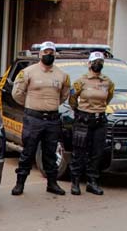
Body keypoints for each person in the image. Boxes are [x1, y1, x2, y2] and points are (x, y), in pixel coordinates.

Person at [10, 42, 71, 196]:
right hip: (33, 118)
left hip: (52, 119)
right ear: (40, 54)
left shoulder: (62, 75)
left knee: (50, 153)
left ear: (55, 54)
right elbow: (17, 94)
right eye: (46, 52)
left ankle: (52, 183)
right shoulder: (28, 72)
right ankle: (20, 183)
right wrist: (32, 104)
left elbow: (64, 95)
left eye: (51, 52)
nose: (48, 54)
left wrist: (50, 105)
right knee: (28, 152)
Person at [69, 52, 114, 196]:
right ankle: (75, 182)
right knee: (79, 152)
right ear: (89, 64)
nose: (98, 64)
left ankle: (92, 182)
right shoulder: (80, 81)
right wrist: (79, 110)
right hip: (83, 119)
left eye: (100, 61)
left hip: (100, 119)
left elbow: (109, 97)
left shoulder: (107, 82)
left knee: (97, 153)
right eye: (95, 61)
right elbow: (72, 98)